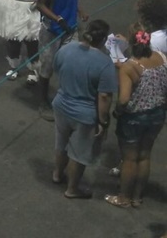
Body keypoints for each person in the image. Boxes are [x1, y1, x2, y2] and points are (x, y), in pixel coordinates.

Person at [51, 20, 115, 200]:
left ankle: (57, 174)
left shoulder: (66, 49)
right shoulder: (104, 63)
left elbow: (57, 68)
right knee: (79, 153)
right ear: (103, 39)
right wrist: (103, 122)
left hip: (61, 104)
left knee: (61, 143)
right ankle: (72, 189)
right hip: (85, 115)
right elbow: (104, 97)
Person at [105, 25, 167, 208]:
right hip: (157, 114)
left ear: (131, 44)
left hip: (134, 117)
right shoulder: (163, 58)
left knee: (130, 158)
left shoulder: (129, 67)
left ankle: (123, 197)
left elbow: (124, 99)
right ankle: (138, 197)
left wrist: (117, 111)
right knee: (144, 155)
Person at [36, 0, 88, 121]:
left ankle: (65, 100)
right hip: (52, 30)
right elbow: (40, 5)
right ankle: (42, 102)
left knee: (71, 64)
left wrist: (78, 10)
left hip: (70, 28)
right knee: (47, 67)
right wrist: (58, 18)